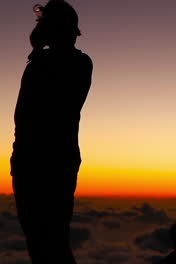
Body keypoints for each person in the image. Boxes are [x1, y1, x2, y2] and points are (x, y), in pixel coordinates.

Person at [10, 1, 92, 263]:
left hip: (35, 163)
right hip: (59, 160)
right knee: (53, 240)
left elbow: (24, 116)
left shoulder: (46, 64)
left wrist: (37, 49)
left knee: (44, 243)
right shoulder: (80, 63)